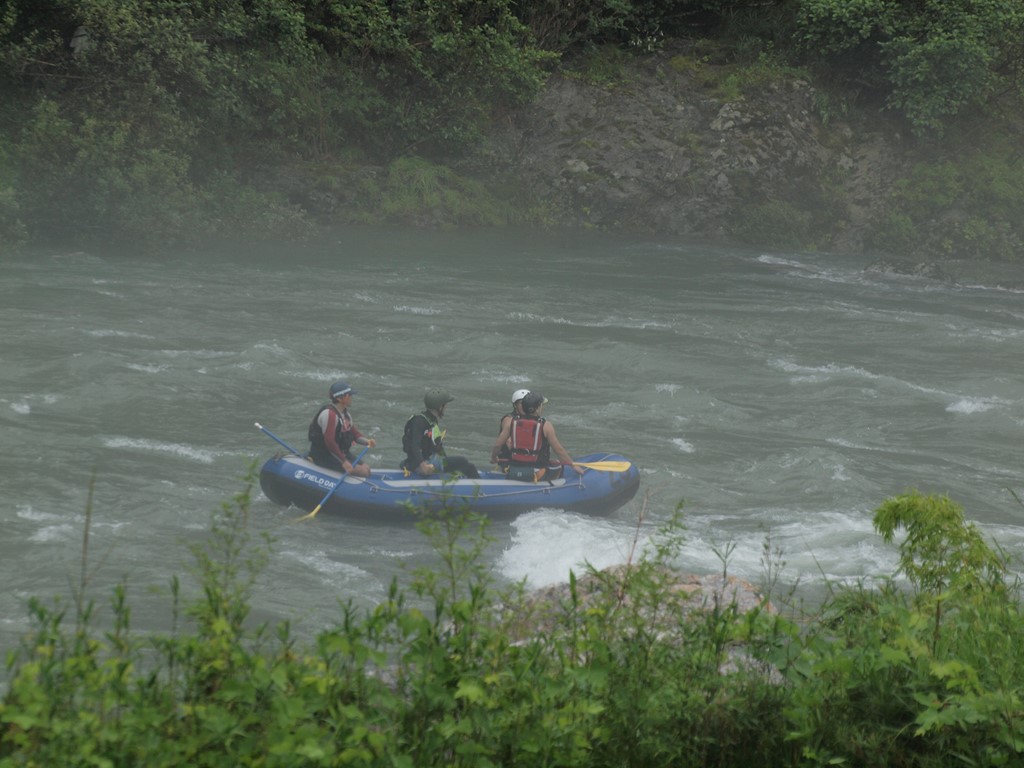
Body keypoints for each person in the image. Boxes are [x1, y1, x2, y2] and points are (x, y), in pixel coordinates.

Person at [490, 392, 583, 482]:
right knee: (558, 464)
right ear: (536, 408)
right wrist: (574, 466)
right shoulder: (546, 425)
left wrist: (494, 458)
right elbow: (559, 450)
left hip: (513, 472)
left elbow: (498, 445)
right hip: (536, 474)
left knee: (550, 462)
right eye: (541, 405)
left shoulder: (511, 423)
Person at [401, 388, 480, 478]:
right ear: (439, 407)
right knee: (464, 462)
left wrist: (448, 465)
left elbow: (437, 447)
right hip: (423, 463)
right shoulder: (420, 422)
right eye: (445, 405)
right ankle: (481, 489)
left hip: (430, 459)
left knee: (460, 464)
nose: (446, 407)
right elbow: (414, 445)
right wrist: (423, 465)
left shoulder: (431, 420)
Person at [307, 380, 375, 477]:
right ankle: (313, 460)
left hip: (340, 453)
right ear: (340, 398)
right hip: (324, 456)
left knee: (367, 468)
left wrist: (367, 441)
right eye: (349, 395)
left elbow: (354, 434)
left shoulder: (345, 414)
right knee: (363, 472)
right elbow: (330, 442)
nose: (351, 397)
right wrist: (344, 462)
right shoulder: (330, 415)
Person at [494, 388, 531, 471]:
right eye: (522, 403)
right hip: (509, 463)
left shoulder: (532, 419)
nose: (525, 406)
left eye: (527, 403)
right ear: (515, 405)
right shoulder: (508, 419)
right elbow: (508, 441)